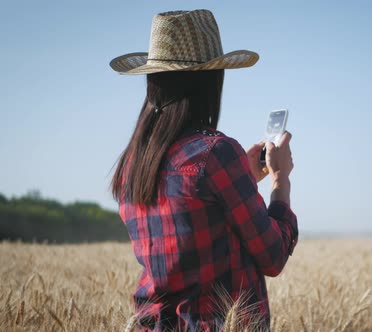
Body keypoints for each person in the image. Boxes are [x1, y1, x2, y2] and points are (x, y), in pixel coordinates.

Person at [109, 9, 298, 332]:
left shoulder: (133, 164)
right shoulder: (216, 153)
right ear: (210, 81)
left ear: (153, 83)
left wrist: (244, 179)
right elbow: (273, 255)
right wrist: (280, 181)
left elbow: (189, 212)